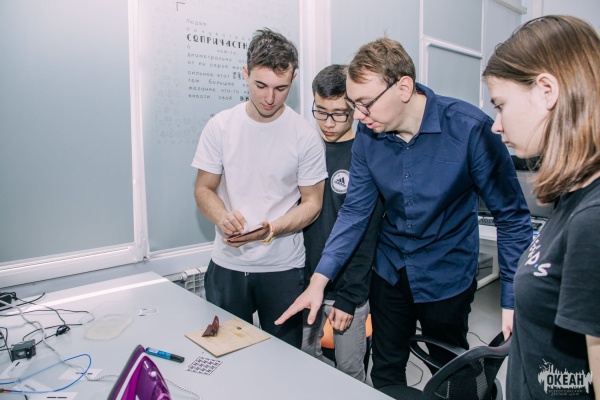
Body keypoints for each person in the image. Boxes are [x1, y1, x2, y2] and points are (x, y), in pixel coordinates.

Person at [276, 37, 533, 390]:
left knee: (450, 371)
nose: (358, 116)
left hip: (446, 274)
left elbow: (512, 216)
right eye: (354, 105)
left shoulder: (469, 129)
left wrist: (513, 298)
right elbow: (355, 211)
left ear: (404, 87)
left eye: (365, 104)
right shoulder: (369, 135)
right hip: (391, 271)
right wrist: (319, 281)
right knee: (385, 371)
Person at [483, 15, 600, 399]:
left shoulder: (593, 218)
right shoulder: (573, 198)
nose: (496, 124)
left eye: (501, 105)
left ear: (547, 90)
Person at [192, 28, 327, 349]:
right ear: (245, 73)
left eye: (281, 88)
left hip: (283, 268)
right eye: (260, 85)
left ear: (293, 78)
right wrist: (222, 216)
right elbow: (204, 189)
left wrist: (272, 229)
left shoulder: (305, 135)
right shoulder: (220, 126)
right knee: (226, 354)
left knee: (284, 359)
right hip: (227, 264)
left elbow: (313, 203)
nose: (270, 98)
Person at [301, 65, 384, 381]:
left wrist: (350, 297)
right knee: (304, 362)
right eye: (320, 112)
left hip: (347, 289)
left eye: (338, 114)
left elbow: (367, 233)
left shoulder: (366, 153)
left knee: (349, 371)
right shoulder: (308, 148)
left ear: (355, 107)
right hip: (307, 283)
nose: (328, 123)